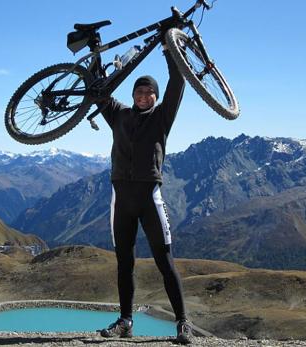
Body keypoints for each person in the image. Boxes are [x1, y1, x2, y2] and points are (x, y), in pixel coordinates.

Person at [95, 43, 193, 344]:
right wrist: (96, 54)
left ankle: (182, 323)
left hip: (150, 198)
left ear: (155, 96)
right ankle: (125, 321)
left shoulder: (162, 117)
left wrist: (169, 49)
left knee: (165, 262)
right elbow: (98, 90)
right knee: (124, 263)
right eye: (138, 92)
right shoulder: (118, 115)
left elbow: (178, 83)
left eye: (148, 92)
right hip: (121, 199)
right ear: (132, 95)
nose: (142, 96)